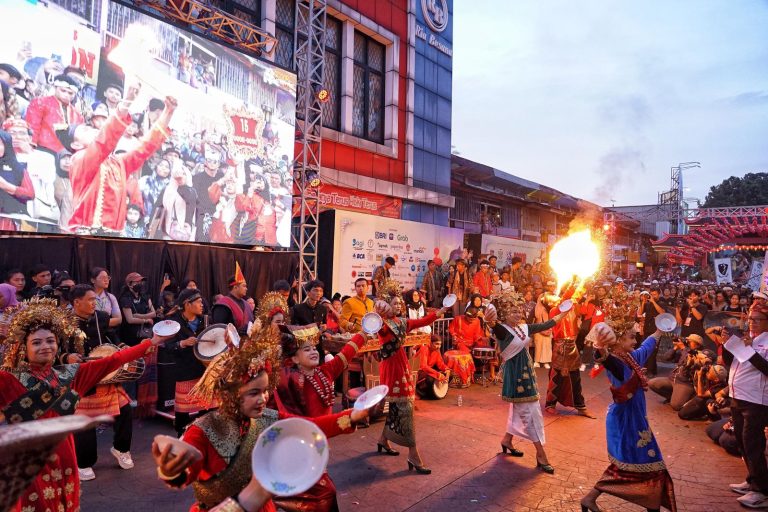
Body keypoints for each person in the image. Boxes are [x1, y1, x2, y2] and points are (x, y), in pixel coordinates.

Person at [150, 321, 369, 512]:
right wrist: (171, 468)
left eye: (265, 391)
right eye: (254, 393)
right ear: (231, 394)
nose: (264, 398)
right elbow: (183, 470)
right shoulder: (204, 429)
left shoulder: (267, 419)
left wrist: (351, 416)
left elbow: (307, 426)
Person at [0, 297, 170, 511]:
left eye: (50, 341)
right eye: (36, 342)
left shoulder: (72, 375)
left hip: (66, 457)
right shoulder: (8, 380)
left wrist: (150, 343)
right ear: (23, 347)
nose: (46, 346)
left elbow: (112, 361)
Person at [579, 318, 676, 512]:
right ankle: (651, 506)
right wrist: (600, 347)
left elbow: (646, 348)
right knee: (646, 462)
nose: (635, 341)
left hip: (635, 418)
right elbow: (606, 359)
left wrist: (658, 332)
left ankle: (590, 498)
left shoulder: (630, 358)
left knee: (637, 462)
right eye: (631, 337)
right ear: (617, 340)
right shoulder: (616, 361)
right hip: (626, 420)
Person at [272, 323, 364, 511]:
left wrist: (365, 331)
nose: (314, 351)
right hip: (298, 448)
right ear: (295, 359)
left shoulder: (325, 372)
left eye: (314, 348)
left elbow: (345, 353)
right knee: (325, 494)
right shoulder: (287, 379)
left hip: (320, 444)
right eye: (306, 349)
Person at [63, 85, 176, 234]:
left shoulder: (118, 162)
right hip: (88, 233)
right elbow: (103, 141)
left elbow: (145, 147)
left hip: (114, 233)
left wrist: (168, 113)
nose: (94, 132)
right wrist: (127, 101)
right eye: (86, 130)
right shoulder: (79, 160)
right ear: (75, 144)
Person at [373, 280, 447, 474]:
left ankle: (383, 439)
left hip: (403, 366)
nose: (398, 306)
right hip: (390, 369)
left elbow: (422, 322)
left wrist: (439, 312)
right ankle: (414, 455)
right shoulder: (383, 325)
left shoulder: (402, 323)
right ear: (386, 304)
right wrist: (378, 311)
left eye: (399, 303)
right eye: (394, 303)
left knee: (399, 408)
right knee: (405, 408)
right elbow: (373, 325)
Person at [491, 289, 567, 473]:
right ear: (504, 314)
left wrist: (564, 311)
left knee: (521, 410)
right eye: (512, 311)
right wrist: (489, 318)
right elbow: (492, 324)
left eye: (519, 310)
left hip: (528, 375)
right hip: (516, 377)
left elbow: (547, 323)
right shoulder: (502, 330)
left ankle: (507, 440)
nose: (517, 313)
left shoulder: (524, 328)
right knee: (531, 413)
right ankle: (541, 454)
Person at [67, 285, 136, 480]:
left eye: (94, 300)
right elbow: (56, 350)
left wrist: (122, 347)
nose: (94, 303)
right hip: (83, 379)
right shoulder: (63, 323)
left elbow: (111, 337)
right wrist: (67, 356)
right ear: (76, 303)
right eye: (90, 300)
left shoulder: (101, 317)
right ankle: (84, 463)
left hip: (106, 376)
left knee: (125, 411)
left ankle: (121, 449)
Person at [725, 303, 768, 509]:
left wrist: (750, 349)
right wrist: (727, 344)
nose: (752, 322)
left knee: (753, 444)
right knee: (742, 441)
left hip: (756, 400)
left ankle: (762, 491)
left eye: (757, 319)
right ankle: (752, 480)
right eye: (750, 318)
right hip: (737, 395)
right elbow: (733, 363)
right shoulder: (747, 338)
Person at [545, 289, 596, 419]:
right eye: (551, 297)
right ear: (549, 303)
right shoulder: (554, 311)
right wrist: (573, 284)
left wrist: (580, 284)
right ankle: (550, 404)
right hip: (560, 346)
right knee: (556, 377)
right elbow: (566, 298)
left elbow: (578, 299)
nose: (554, 297)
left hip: (572, 345)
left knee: (575, 377)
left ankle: (581, 407)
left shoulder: (572, 307)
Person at [166, 288, 208, 436]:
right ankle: (182, 438)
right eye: (198, 302)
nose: (202, 305)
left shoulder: (205, 320)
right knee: (183, 413)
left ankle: (204, 438)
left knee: (206, 410)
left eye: (201, 302)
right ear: (187, 304)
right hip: (184, 371)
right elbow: (168, 346)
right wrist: (182, 343)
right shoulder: (174, 323)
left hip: (203, 371)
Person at [24, 74, 83, 153]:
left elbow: (78, 138)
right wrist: (31, 145)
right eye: (63, 91)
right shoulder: (40, 103)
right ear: (55, 88)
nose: (66, 95)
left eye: (70, 93)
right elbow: (32, 126)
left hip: (66, 155)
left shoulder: (78, 115)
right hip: (42, 150)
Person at [0, 129, 34, 232]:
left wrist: (6, 186)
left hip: (8, 220)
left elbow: (30, 193)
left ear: (7, 146)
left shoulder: (17, 168)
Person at [211, 269, 254, 335]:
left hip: (247, 343)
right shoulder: (223, 304)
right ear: (235, 287)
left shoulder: (246, 304)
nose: (246, 289)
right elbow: (219, 329)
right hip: (229, 343)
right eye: (244, 286)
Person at [118, 272, 156, 346]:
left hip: (146, 332)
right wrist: (146, 320)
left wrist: (137, 315)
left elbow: (154, 313)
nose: (140, 283)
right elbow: (130, 320)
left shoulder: (145, 296)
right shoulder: (125, 298)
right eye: (137, 282)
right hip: (131, 334)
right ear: (129, 284)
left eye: (141, 281)